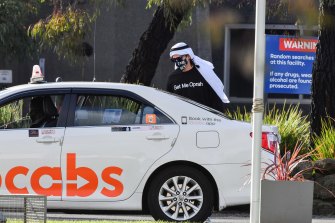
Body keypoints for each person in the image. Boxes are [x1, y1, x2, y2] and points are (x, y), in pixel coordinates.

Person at [166, 42, 229, 111]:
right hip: (182, 119)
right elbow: (170, 102)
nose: (177, 62)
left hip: (204, 119)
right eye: (173, 60)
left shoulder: (204, 74)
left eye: (179, 58)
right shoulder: (173, 78)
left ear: (188, 56)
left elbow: (216, 99)